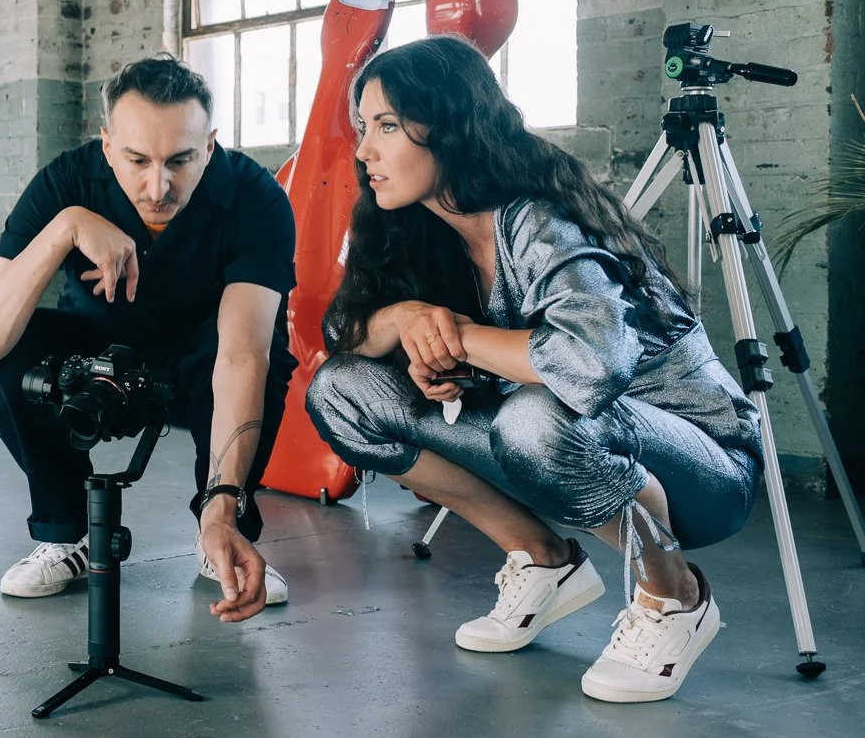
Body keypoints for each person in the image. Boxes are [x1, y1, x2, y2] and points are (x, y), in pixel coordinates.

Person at [305, 35, 762, 702]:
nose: (365, 150)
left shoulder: (535, 217)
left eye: (387, 127)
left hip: (704, 464)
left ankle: (674, 594)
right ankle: (543, 559)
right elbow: (338, 338)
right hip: (568, 441)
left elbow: (588, 365)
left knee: (532, 418)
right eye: (362, 129)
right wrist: (408, 320)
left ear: (449, 125)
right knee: (342, 392)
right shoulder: (420, 228)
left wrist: (458, 338)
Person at [0, 53, 297, 623]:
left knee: (266, 355)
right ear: (107, 144)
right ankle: (68, 536)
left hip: (198, 361)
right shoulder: (68, 181)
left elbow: (242, 355)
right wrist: (67, 227)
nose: (157, 186)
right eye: (137, 160)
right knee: (5, 356)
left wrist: (222, 507)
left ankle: (218, 531)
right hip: (96, 354)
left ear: (209, 146)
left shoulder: (255, 198)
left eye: (181, 160)